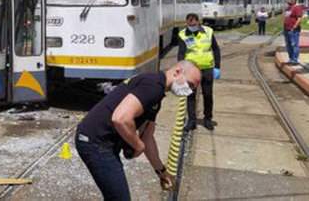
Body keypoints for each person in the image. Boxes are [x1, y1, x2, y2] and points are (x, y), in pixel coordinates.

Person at [76, 61, 202, 200]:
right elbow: (121, 119)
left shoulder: (157, 94)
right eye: (189, 84)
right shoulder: (153, 86)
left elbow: (147, 137)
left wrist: (161, 171)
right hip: (94, 141)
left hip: (104, 143)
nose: (189, 90)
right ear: (177, 72)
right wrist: (138, 145)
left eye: (193, 88)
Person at [177, 13, 221, 131]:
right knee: (190, 95)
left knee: (207, 94)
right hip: (191, 70)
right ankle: (192, 121)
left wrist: (217, 67)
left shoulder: (208, 32)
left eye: (194, 24)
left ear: (198, 22)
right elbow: (181, 53)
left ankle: (207, 119)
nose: (191, 26)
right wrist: (181, 68)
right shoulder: (183, 34)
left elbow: (216, 49)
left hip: (207, 68)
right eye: (189, 24)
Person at [283, 0, 305, 65]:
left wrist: (294, 27)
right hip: (286, 29)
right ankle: (291, 58)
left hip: (293, 30)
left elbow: (299, 18)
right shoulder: (288, 8)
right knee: (288, 45)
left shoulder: (297, 7)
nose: (288, 0)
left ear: (294, 0)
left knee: (294, 44)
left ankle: (295, 59)